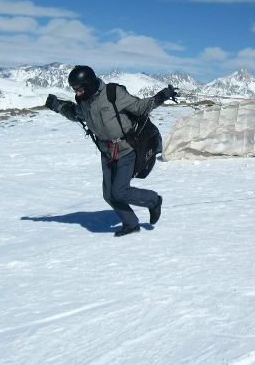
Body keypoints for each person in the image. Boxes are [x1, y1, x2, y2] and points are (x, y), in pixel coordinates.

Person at [44, 65, 178, 237]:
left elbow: (139, 107)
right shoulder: (84, 101)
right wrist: (57, 106)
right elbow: (76, 114)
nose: (76, 93)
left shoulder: (112, 94)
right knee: (109, 195)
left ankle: (154, 201)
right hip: (107, 152)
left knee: (119, 191)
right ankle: (131, 223)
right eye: (74, 90)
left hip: (126, 150)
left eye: (79, 89)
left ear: (89, 84)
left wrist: (162, 96)